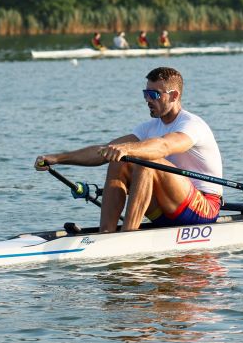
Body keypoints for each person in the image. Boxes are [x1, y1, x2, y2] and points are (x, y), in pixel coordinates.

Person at [36, 67, 224, 233]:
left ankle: (128, 235)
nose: (148, 100)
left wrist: (127, 149)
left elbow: (164, 146)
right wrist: (57, 158)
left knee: (146, 159)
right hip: (166, 210)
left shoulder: (191, 125)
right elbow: (104, 151)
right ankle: (106, 234)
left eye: (155, 95)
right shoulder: (148, 127)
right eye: (145, 94)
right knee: (118, 160)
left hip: (202, 208)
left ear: (174, 96)